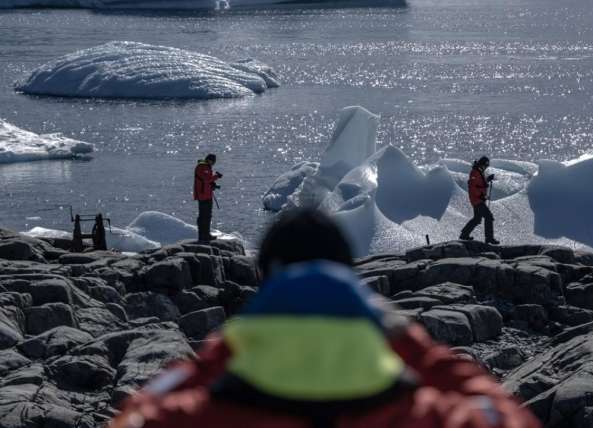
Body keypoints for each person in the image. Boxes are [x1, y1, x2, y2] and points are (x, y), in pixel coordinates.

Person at [109, 209, 540, 428]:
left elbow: (135, 413)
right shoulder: (425, 415)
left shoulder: (195, 417)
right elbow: (505, 414)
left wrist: (229, 347)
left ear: (267, 280)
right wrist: (410, 341)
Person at [460, 156, 499, 244]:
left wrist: (488, 179)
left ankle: (464, 234)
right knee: (489, 217)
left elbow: (481, 183)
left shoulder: (478, 171)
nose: (486, 167)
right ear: (482, 164)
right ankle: (489, 238)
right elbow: (472, 187)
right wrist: (480, 196)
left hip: (478, 199)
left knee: (477, 219)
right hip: (477, 200)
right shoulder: (475, 172)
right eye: (486, 165)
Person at [193, 153, 222, 242]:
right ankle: (203, 235)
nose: (213, 163)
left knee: (207, 216)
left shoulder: (205, 167)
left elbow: (205, 181)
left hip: (206, 194)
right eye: (213, 161)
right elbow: (206, 179)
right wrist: (216, 176)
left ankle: (206, 234)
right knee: (204, 216)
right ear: (209, 160)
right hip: (203, 196)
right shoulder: (203, 167)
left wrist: (213, 185)